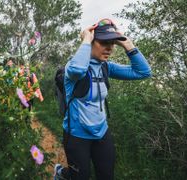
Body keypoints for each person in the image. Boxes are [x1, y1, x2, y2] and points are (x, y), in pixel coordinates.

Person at [54, 18, 152, 180]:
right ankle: (61, 173)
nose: (110, 48)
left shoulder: (107, 67)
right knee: (80, 177)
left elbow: (143, 72)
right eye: (104, 42)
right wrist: (86, 37)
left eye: (112, 43)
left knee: (106, 175)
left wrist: (127, 43)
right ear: (92, 42)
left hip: (102, 132)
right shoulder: (73, 67)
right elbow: (78, 69)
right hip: (76, 135)